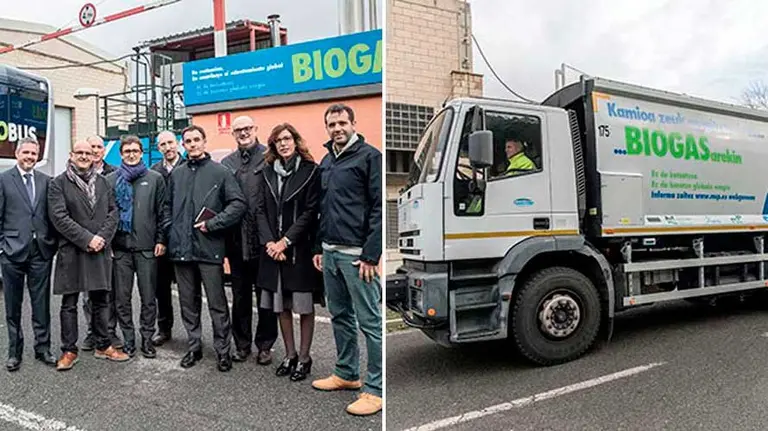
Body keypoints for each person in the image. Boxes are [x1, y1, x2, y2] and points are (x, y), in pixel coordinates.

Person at [310, 104, 383, 416]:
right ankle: (347, 373)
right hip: (329, 252)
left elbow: (380, 207)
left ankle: (376, 389)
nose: (337, 128)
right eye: (332, 124)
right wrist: (317, 247)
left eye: (342, 122)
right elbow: (322, 208)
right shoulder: (327, 160)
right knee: (340, 315)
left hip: (356, 257)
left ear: (354, 124)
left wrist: (370, 254)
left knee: (370, 322)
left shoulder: (370, 157)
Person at [166, 125, 246, 371]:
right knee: (188, 304)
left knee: (217, 303)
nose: (192, 144)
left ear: (204, 141)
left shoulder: (220, 172)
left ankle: (223, 351)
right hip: (181, 249)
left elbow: (238, 204)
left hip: (209, 248)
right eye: (187, 140)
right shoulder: (176, 175)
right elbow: (166, 207)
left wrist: (213, 224)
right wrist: (171, 230)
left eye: (196, 139)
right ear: (183, 144)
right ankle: (194, 347)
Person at [48, 140, 129, 371]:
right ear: (71, 155)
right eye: (80, 152)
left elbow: (113, 212)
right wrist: (87, 239)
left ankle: (103, 344)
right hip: (73, 251)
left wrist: (101, 238)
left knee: (101, 301)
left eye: (88, 152)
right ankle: (69, 350)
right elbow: (59, 218)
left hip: (99, 249)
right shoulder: (58, 184)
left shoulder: (104, 182)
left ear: (94, 155)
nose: (85, 156)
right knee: (70, 303)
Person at [254, 123, 322, 382]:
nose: (283, 144)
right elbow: (259, 210)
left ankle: (305, 358)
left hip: (299, 251)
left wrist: (286, 242)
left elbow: (310, 213)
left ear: (295, 141)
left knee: (303, 307)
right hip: (272, 252)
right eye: (277, 141)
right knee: (280, 306)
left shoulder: (310, 171)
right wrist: (271, 243)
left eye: (287, 139)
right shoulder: (266, 172)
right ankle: (290, 354)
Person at [221, 115, 278, 365]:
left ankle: (265, 345)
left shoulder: (270, 157)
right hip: (235, 241)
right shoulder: (226, 163)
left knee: (265, 296)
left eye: (247, 128)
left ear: (256, 129)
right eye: (238, 130)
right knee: (240, 296)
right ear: (233, 134)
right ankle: (242, 345)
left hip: (263, 239)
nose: (243, 133)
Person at [106, 135, 169, 358]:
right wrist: (108, 244)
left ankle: (147, 339)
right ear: (121, 154)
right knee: (121, 299)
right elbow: (107, 215)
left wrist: (161, 239)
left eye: (135, 150)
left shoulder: (155, 179)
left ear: (141, 152)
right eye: (127, 151)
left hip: (147, 248)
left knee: (148, 297)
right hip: (120, 249)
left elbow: (163, 212)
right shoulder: (111, 180)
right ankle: (129, 339)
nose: (131, 154)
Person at [0, 137, 58, 371]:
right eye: (26, 153)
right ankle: (15, 352)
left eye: (34, 154)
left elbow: (51, 217)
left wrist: (50, 245)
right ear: (17, 154)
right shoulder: (4, 180)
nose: (30, 158)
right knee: (13, 307)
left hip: (40, 252)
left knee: (41, 304)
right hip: (12, 252)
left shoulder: (46, 181)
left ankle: (43, 348)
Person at [82, 134, 120, 351]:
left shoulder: (114, 173)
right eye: (91, 147)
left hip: (109, 242)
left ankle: (109, 331)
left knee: (109, 291)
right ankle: (91, 332)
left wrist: (105, 238)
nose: (95, 150)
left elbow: (115, 209)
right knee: (88, 293)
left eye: (98, 147)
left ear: (104, 151)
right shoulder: (77, 174)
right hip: (86, 243)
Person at [149, 130, 184, 346]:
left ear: (178, 143)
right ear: (158, 148)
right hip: (162, 240)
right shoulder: (154, 172)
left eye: (170, 142)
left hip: (185, 239)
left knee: (189, 289)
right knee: (161, 288)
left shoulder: (189, 166)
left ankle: (193, 332)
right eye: (162, 144)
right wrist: (159, 238)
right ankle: (164, 329)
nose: (167, 147)